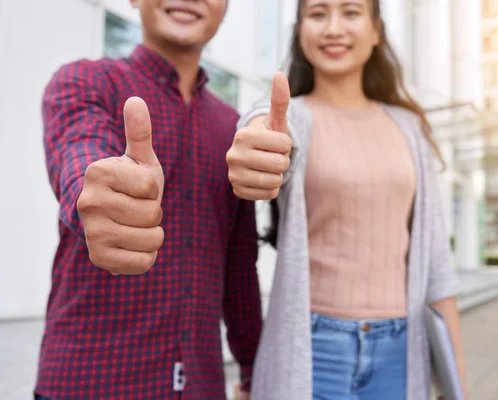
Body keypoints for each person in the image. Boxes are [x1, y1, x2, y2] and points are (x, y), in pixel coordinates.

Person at [226, 0, 469, 399]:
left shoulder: (409, 127)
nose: (333, 28)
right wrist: (257, 143)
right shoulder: (294, 119)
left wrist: (456, 376)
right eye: (318, 14)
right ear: (300, 30)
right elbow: (263, 127)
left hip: (401, 349)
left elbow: (437, 262)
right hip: (313, 346)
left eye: (351, 13)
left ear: (375, 32)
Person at [36, 1, 261, 399]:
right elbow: (79, 156)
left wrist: (252, 372)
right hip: (89, 382)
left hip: (202, 385)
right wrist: (102, 197)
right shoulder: (85, 82)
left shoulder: (233, 128)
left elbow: (240, 269)